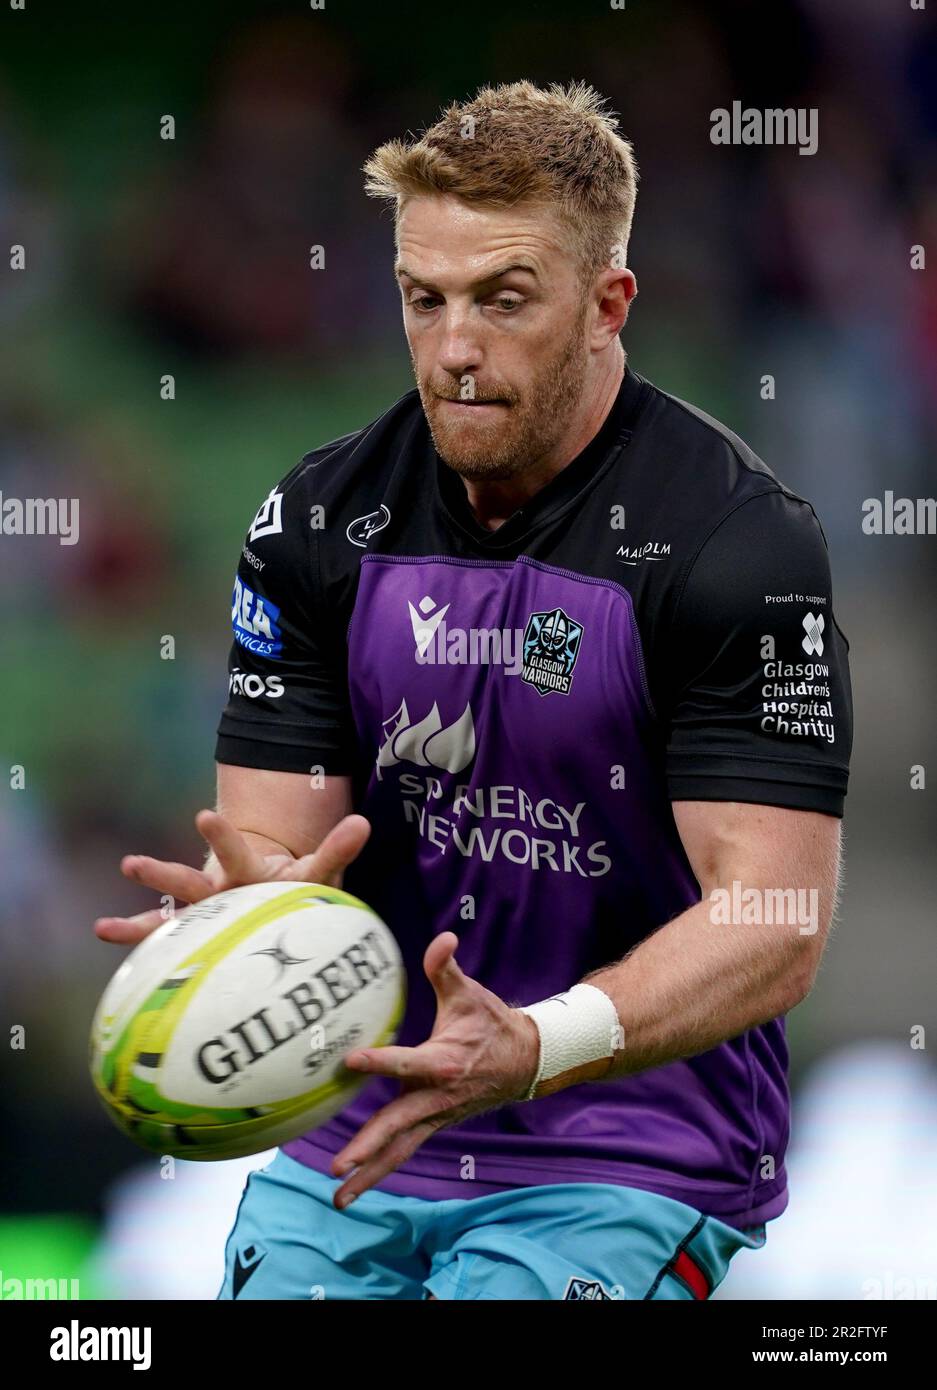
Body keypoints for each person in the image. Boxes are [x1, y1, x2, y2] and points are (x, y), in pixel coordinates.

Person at [96, 80, 853, 1301]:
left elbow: (773, 920)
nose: (455, 348)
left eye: (504, 301)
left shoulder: (736, 544)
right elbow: (285, 844)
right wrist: (254, 912)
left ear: (608, 305)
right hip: (356, 1128)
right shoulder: (316, 519)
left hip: (626, 1153)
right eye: (423, 299)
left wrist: (537, 1045)